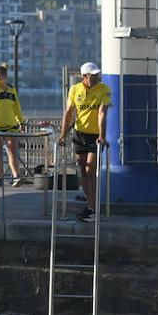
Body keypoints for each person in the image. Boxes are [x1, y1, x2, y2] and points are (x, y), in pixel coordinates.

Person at [59, 62, 112, 221]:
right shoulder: (75, 90)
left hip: (95, 136)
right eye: (93, 75)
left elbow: (102, 113)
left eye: (97, 75)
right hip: (79, 134)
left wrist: (102, 136)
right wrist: (62, 135)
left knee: (91, 170)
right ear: (84, 77)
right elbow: (68, 113)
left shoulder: (104, 89)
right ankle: (90, 206)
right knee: (82, 170)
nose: (97, 77)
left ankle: (93, 208)